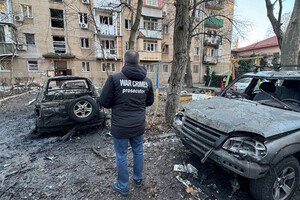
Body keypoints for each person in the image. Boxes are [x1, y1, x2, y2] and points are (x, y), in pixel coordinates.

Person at [99, 50, 154, 196]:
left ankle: (123, 186)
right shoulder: (147, 81)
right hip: (138, 125)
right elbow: (149, 102)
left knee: (121, 155)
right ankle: (137, 179)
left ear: (124, 62)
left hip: (120, 127)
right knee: (138, 151)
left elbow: (104, 101)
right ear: (139, 62)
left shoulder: (114, 79)